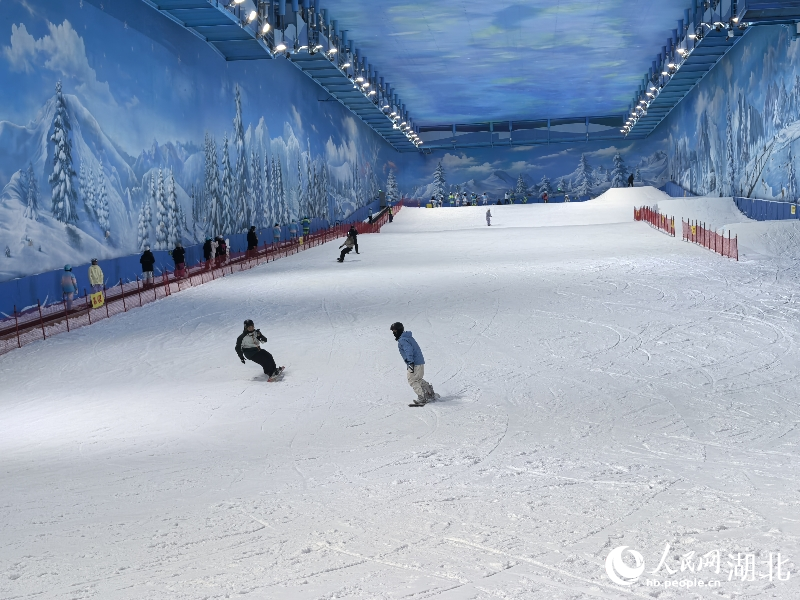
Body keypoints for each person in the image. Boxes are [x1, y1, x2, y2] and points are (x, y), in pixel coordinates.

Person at [390, 322, 435, 405]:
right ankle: (430, 393)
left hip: (414, 363)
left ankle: (422, 397)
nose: (393, 333)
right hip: (419, 362)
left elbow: (408, 350)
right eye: (393, 331)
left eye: (395, 331)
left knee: (412, 380)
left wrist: (410, 362)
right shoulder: (408, 337)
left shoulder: (403, 340)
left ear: (399, 330)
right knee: (418, 379)